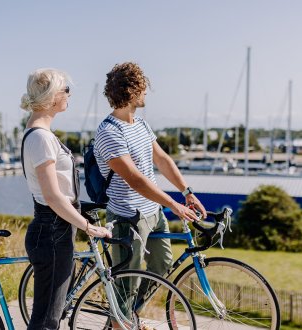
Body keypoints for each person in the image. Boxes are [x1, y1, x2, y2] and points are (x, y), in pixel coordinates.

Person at [94, 62, 207, 282]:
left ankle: (132, 314)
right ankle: (121, 317)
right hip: (127, 217)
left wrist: (186, 192)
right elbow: (135, 180)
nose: (146, 92)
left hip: (153, 212)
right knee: (127, 282)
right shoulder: (109, 132)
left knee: (163, 266)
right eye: (143, 87)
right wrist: (174, 205)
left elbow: (163, 160)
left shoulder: (141, 124)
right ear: (131, 91)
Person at [20, 68, 111, 330]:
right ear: (51, 97)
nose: (69, 94)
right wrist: (87, 226)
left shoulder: (41, 135)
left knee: (52, 316)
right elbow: (52, 196)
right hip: (52, 231)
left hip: (55, 230)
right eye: (65, 89)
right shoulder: (40, 137)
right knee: (46, 321)